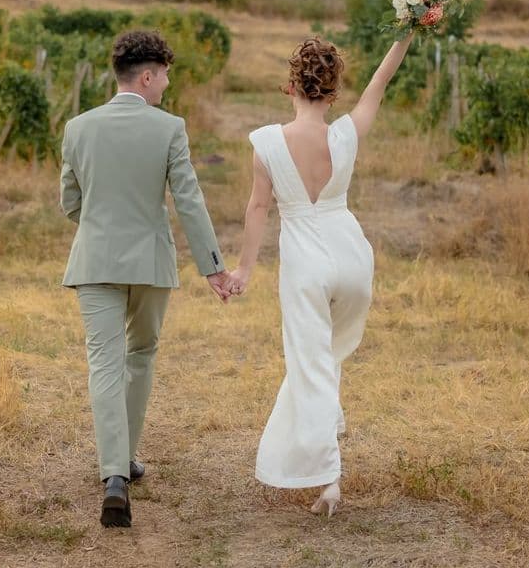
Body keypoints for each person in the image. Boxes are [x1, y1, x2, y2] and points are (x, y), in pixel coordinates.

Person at [227, 34, 413, 516]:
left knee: (310, 363)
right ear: (332, 94)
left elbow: (257, 207)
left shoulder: (267, 143)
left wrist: (244, 269)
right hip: (352, 256)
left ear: (290, 87)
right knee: (327, 358)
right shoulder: (346, 133)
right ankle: (326, 423)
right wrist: (407, 30)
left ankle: (328, 477)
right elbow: (381, 81)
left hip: (307, 263)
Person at [60, 29, 230, 529]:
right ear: (149, 75)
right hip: (152, 263)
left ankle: (114, 474)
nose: (167, 86)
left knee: (103, 362)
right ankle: (126, 460)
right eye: (166, 77)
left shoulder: (77, 128)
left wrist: (101, 224)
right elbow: (189, 201)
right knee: (140, 355)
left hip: (94, 261)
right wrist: (212, 267)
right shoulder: (170, 128)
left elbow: (70, 203)